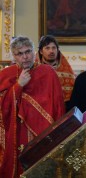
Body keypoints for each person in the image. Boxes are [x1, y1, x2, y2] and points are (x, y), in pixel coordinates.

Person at [0, 36, 65, 178]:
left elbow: (58, 106)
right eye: (20, 54)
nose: (25, 57)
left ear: (35, 52)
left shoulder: (48, 73)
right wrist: (18, 86)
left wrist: (59, 134)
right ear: (14, 56)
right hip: (17, 133)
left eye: (28, 51)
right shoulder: (5, 75)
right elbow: (2, 107)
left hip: (44, 135)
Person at [37, 35, 75, 106]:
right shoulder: (35, 70)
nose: (51, 51)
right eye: (47, 48)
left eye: (54, 48)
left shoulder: (66, 71)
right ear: (41, 51)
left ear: (57, 50)